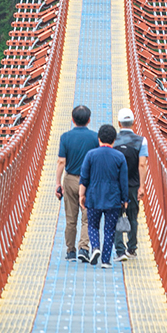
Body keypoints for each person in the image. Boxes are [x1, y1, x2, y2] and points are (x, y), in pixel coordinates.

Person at [79, 123, 128, 267]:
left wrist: (82, 195)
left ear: (99, 138)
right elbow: (123, 180)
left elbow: (84, 177)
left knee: (93, 226)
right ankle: (106, 260)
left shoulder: (91, 155)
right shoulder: (119, 157)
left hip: (93, 196)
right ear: (114, 140)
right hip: (113, 198)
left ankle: (95, 248)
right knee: (109, 229)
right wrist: (125, 199)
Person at [55, 105, 100, 261]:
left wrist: (57, 183)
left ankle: (70, 251)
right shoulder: (95, 137)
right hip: (89, 182)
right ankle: (84, 248)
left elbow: (61, 161)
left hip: (70, 179)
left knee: (70, 218)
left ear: (72, 120)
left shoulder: (65, 137)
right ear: (89, 120)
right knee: (87, 218)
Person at [112, 108, 148, 260]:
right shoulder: (141, 141)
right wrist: (142, 186)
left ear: (119, 123)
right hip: (133, 185)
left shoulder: (112, 140)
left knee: (117, 215)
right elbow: (142, 165)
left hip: (116, 185)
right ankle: (131, 248)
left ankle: (120, 250)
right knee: (133, 215)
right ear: (134, 123)